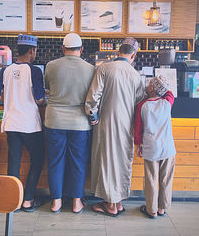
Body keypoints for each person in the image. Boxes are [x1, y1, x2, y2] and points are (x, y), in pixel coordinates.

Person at [85, 37, 144, 217]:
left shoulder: (104, 68)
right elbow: (139, 103)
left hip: (106, 123)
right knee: (121, 162)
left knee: (107, 161)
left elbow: (93, 97)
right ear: (132, 55)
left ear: (118, 52)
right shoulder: (136, 75)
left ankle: (110, 205)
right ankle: (117, 202)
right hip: (127, 125)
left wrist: (92, 115)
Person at [0, 34, 45, 212]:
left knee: (13, 160)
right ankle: (28, 199)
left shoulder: (5, 70)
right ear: (31, 50)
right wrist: (44, 101)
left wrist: (10, 99)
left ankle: (13, 200)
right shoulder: (35, 70)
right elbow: (39, 99)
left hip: (11, 123)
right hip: (30, 124)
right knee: (37, 160)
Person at [44, 33, 95, 213]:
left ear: (63, 49)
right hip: (80, 123)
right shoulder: (91, 69)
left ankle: (56, 202)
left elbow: (48, 89)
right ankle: (76, 203)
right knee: (78, 162)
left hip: (54, 121)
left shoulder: (50, 66)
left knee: (55, 161)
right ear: (81, 49)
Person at [134, 75, 176, 219]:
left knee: (151, 179)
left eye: (150, 84)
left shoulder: (142, 105)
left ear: (152, 89)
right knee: (166, 179)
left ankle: (151, 210)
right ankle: (162, 209)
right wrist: (161, 88)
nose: (147, 84)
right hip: (168, 148)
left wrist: (138, 146)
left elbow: (138, 130)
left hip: (151, 148)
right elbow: (170, 92)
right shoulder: (167, 102)